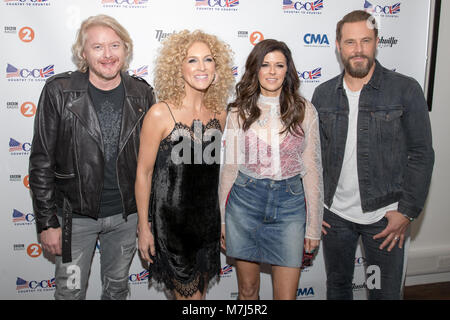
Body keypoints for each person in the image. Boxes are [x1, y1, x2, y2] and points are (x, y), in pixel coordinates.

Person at [28, 14, 155, 300]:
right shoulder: (59, 91)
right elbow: (41, 162)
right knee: (70, 292)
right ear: (82, 53)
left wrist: (148, 220)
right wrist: (47, 222)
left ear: (126, 49)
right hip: (74, 220)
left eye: (115, 45)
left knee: (117, 289)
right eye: (97, 47)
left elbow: (152, 164)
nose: (108, 55)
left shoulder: (142, 93)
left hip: (126, 218)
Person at [311, 10, 434, 300]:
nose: (358, 49)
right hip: (335, 216)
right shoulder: (324, 94)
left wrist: (406, 211)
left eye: (365, 41)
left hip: (384, 218)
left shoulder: (405, 89)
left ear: (377, 42)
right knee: (338, 288)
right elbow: (313, 157)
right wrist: (317, 206)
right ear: (338, 45)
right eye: (350, 42)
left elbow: (421, 154)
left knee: (382, 293)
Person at [219, 39, 323, 300]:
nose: (272, 71)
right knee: (247, 290)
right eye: (265, 65)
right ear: (255, 69)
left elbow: (312, 169)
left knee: (286, 296)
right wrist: (221, 218)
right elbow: (230, 168)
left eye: (279, 65)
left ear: (288, 70)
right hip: (244, 204)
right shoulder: (238, 111)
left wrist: (313, 225)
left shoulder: (304, 110)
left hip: (290, 206)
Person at [135, 30, 234, 300]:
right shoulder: (160, 113)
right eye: (192, 60)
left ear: (217, 67)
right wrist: (144, 228)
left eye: (208, 60)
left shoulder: (220, 114)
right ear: (177, 68)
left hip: (208, 224)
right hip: (173, 227)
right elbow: (143, 174)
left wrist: (223, 221)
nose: (201, 67)